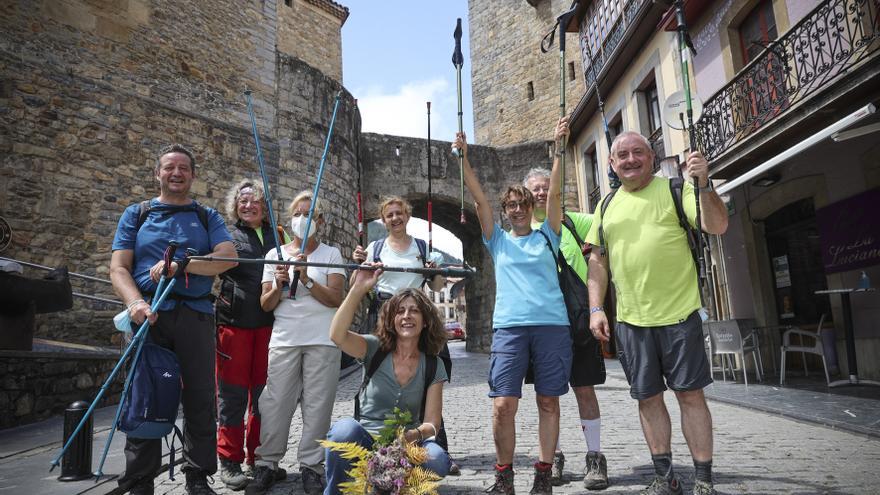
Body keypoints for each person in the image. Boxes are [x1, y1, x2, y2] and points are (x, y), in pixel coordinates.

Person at [585, 131, 728, 495]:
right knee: (647, 399)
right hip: (632, 322)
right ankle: (665, 477)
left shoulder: (677, 191)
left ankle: (704, 480)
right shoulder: (606, 204)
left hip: (680, 317)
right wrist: (596, 308)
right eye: (622, 155)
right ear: (612, 165)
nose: (630, 159)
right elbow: (598, 262)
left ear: (651, 157)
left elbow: (717, 225)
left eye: (638, 152)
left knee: (691, 396)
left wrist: (705, 183)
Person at [110, 144, 237, 495]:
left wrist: (183, 263)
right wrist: (134, 302)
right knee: (145, 396)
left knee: (200, 398)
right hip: (147, 316)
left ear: (193, 176)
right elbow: (119, 267)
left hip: (195, 315)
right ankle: (139, 481)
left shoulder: (206, 216)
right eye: (169, 167)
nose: (176, 173)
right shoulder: (136, 214)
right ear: (158, 173)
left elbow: (227, 259)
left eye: (183, 168)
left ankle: (197, 476)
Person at [455, 118, 571, 495]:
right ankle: (504, 475)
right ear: (505, 211)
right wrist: (463, 160)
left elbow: (554, 195)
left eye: (524, 203)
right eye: (512, 205)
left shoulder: (547, 233)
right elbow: (478, 200)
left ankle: (543, 473)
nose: (519, 209)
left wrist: (559, 148)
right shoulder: (497, 241)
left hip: (551, 325)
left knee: (548, 402)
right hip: (510, 328)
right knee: (503, 404)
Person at [351, 196, 459, 473]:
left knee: (431, 371)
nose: (395, 218)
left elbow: (436, 286)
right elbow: (357, 285)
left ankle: (438, 447)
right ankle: (374, 440)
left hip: (416, 311)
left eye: (400, 213)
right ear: (383, 219)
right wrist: (359, 265)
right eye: (390, 214)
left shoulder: (421, 248)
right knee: (382, 374)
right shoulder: (374, 248)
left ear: (407, 216)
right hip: (383, 313)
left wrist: (435, 271)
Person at [247, 191, 345, 495]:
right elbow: (266, 304)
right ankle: (267, 464)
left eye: (310, 215)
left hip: (322, 339)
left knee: (318, 405)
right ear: (291, 219)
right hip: (285, 338)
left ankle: (312, 467)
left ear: (320, 222)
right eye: (298, 214)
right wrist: (278, 283)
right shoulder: (274, 255)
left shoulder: (331, 254)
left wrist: (305, 279)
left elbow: (335, 299)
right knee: (275, 402)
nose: (303, 220)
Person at [323, 266, 451, 494]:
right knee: (343, 431)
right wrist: (358, 290)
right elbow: (337, 335)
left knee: (438, 460)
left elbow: (433, 424)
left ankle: (393, 484)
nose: (406, 316)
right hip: (365, 441)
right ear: (391, 320)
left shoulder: (433, 364)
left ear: (426, 321)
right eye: (400, 311)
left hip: (406, 446)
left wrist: (414, 435)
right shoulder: (374, 348)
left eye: (414, 311)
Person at [523, 168, 608, 490]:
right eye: (535, 189)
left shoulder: (576, 222)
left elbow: (608, 220)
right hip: (543, 323)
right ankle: (553, 455)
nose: (541, 193)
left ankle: (595, 457)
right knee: (547, 396)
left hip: (577, 320)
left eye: (547, 187)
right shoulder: (522, 230)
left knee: (584, 389)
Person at [214, 179, 283, 490]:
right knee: (231, 396)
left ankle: (258, 458)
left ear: (264, 206)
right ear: (235, 205)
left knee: (263, 398)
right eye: (243, 201)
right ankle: (229, 460)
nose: (248, 205)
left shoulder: (278, 236)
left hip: (268, 326)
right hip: (233, 325)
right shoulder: (225, 235)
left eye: (255, 200)